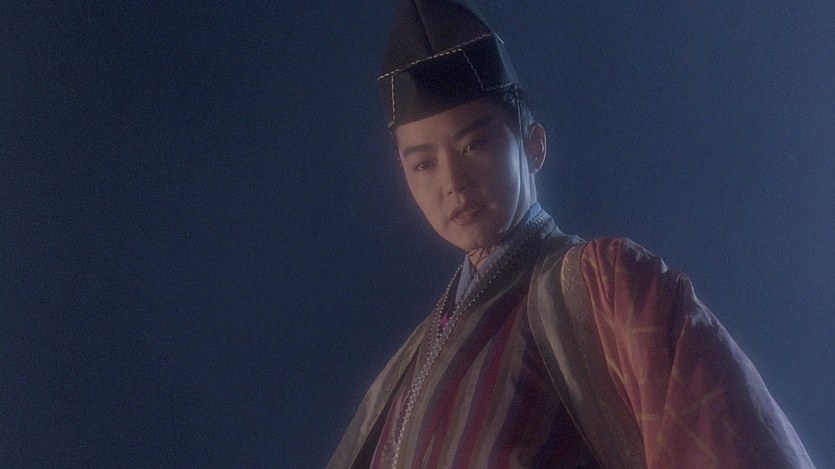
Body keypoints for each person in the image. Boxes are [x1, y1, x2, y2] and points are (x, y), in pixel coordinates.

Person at [329, 1, 814, 467]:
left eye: (475, 145)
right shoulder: (408, 366)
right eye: (423, 164)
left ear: (533, 145)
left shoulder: (609, 290)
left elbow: (730, 446)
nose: (452, 183)